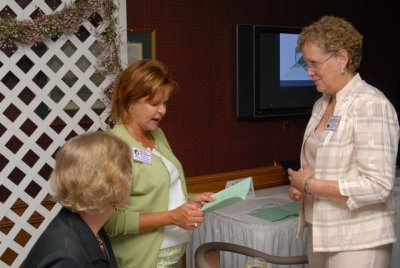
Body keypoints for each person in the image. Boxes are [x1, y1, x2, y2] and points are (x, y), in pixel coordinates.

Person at [287, 16, 399, 268]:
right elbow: (326, 166)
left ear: (342, 58)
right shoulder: (322, 104)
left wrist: (311, 185)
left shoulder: (370, 104)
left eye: (314, 63)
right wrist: (301, 188)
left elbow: (379, 184)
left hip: (358, 240)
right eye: (306, 63)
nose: (309, 71)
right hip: (321, 232)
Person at [104, 59, 215, 268]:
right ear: (130, 101)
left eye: (165, 103)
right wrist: (172, 217)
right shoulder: (114, 146)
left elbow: (155, 193)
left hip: (174, 255)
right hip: (142, 260)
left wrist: (190, 198)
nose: (162, 110)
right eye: (154, 104)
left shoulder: (157, 134)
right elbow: (112, 221)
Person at [24, 131, 133, 267]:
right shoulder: (66, 258)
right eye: (127, 170)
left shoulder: (92, 226)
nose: (131, 177)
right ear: (105, 184)